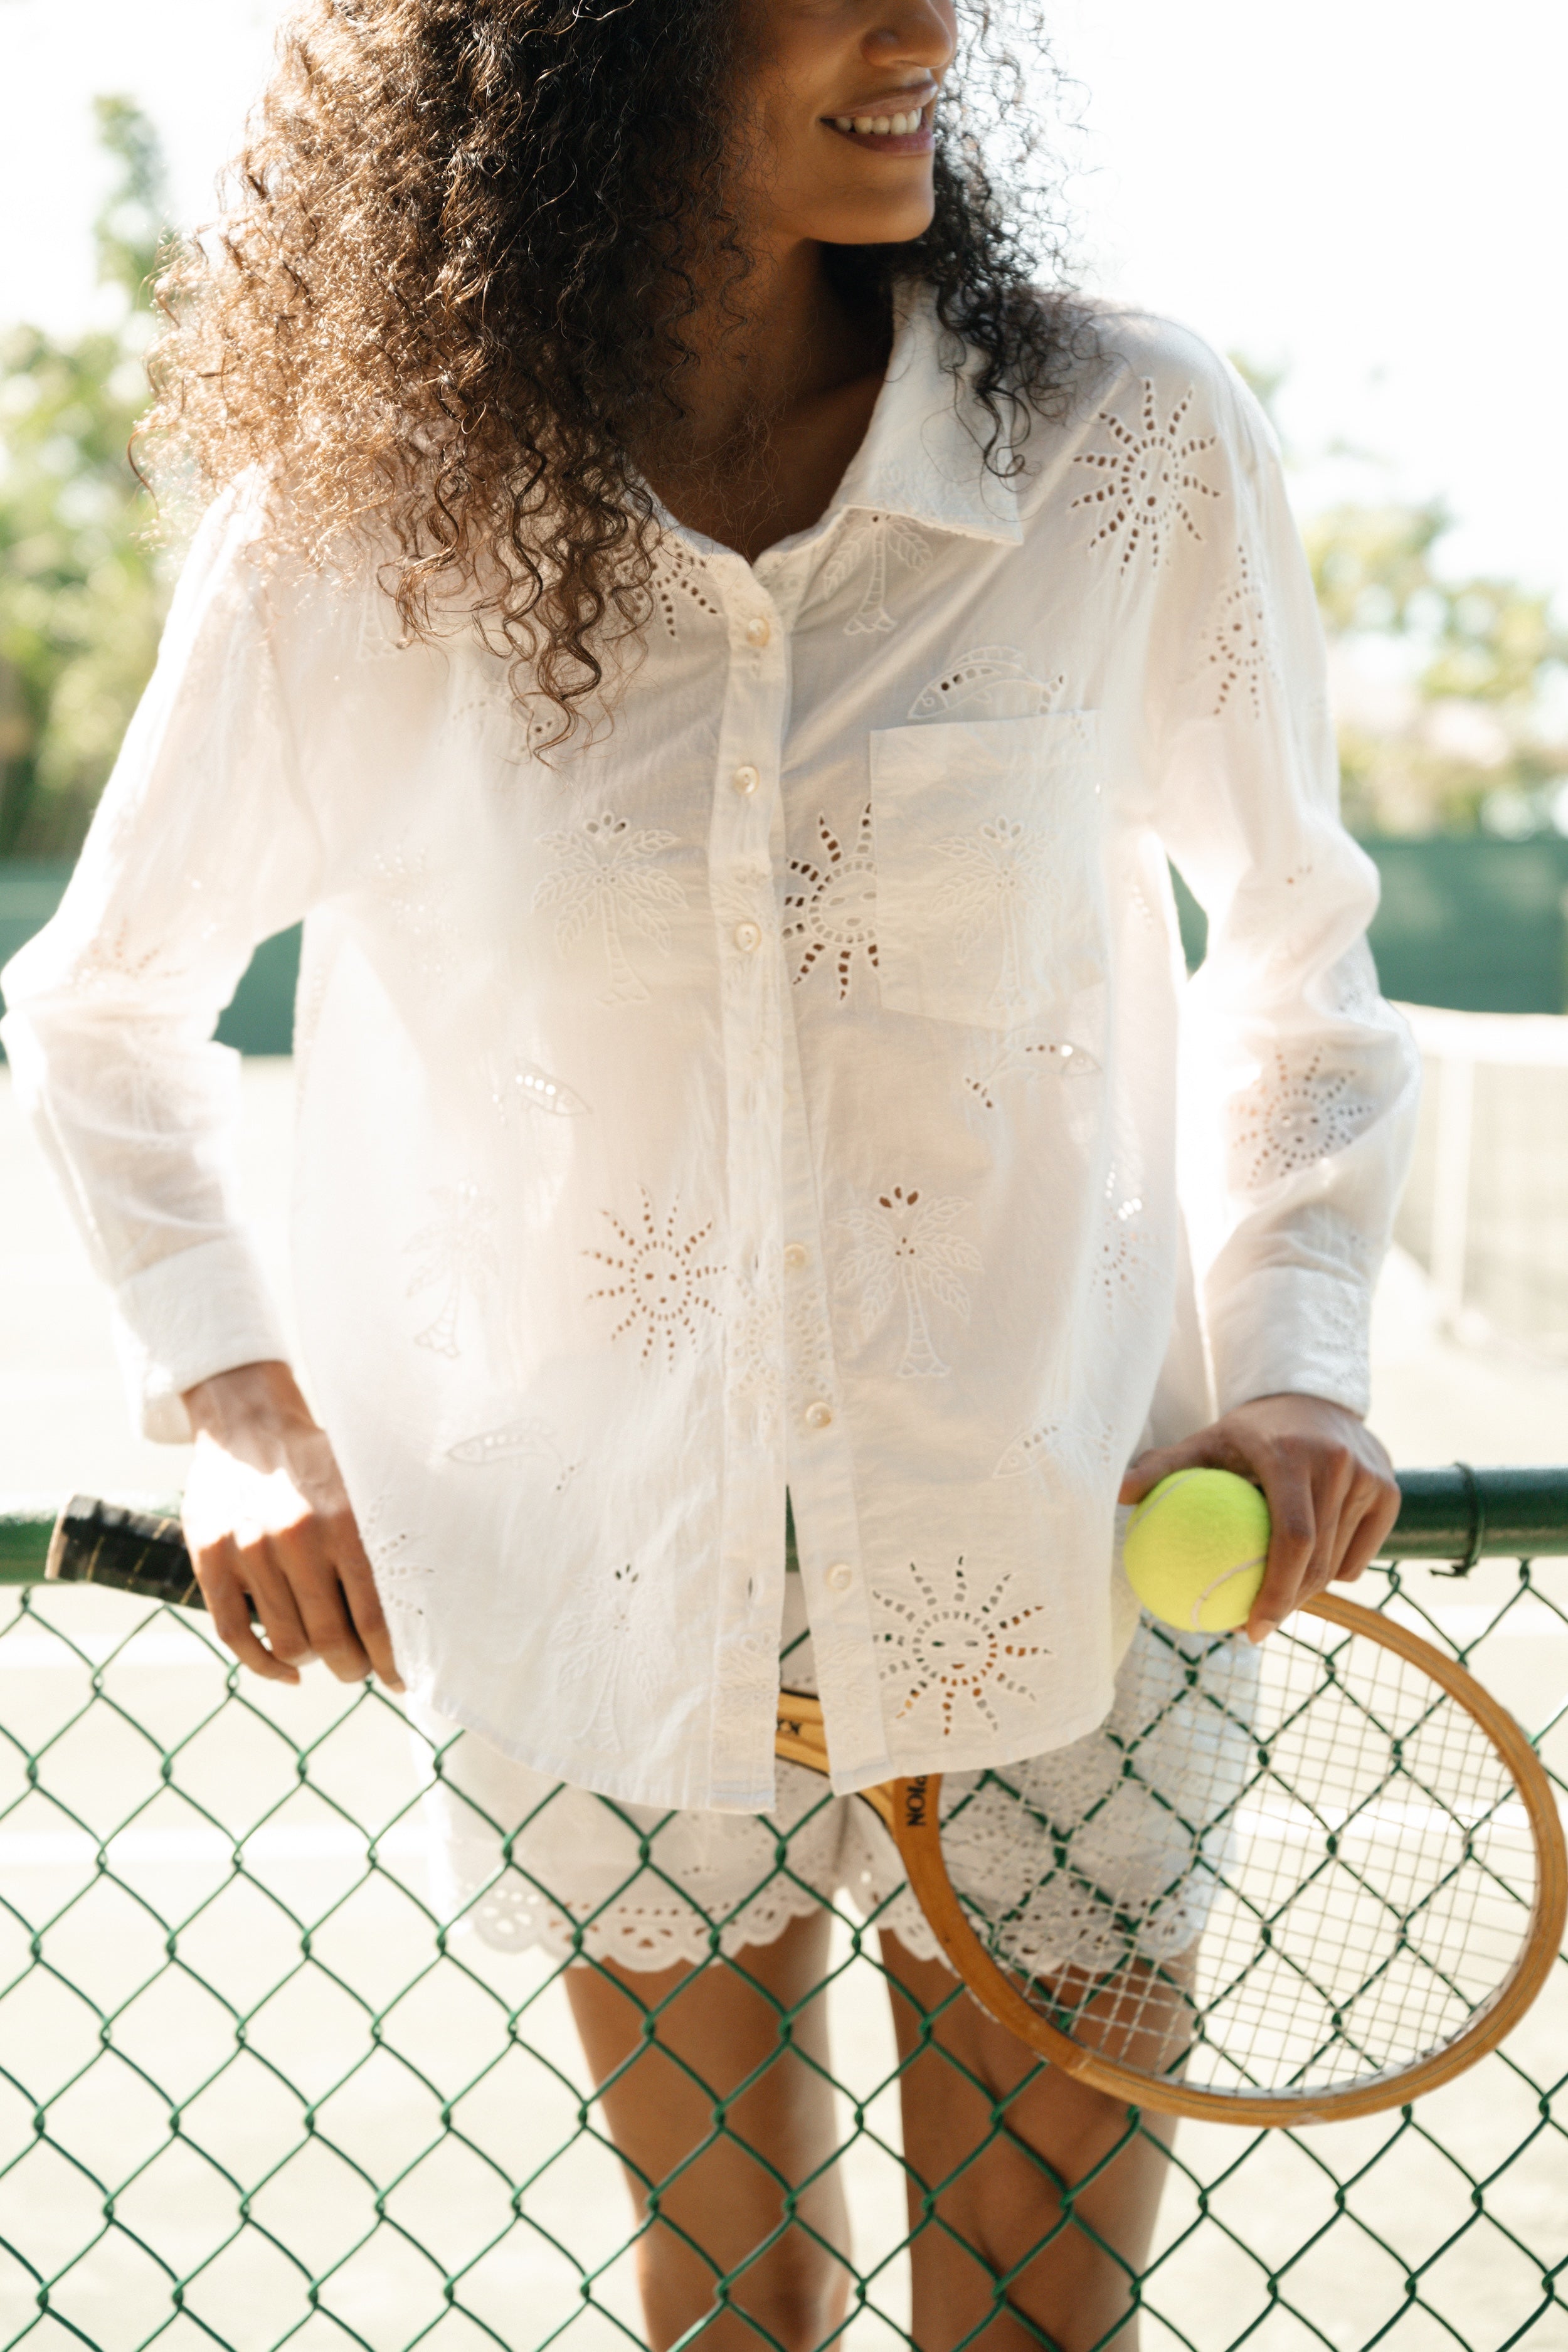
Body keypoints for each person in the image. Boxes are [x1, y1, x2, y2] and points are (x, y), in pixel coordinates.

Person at [1, 1, 1417, 2343]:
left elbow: (1299, 950)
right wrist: (243, 1403)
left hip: (1062, 1539)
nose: (924, 28)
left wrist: (1296, 1366)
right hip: (600, 1575)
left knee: (1028, 2328)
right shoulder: (356, 531)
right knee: (732, 2305)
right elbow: (103, 1002)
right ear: (585, 51)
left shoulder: (1131, 444)